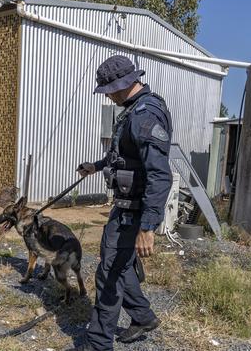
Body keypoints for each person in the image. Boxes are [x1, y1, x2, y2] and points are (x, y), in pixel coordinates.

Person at [74, 55, 173, 351]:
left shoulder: (144, 115)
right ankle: (143, 316)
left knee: (108, 275)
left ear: (121, 85)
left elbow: (159, 174)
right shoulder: (135, 110)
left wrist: (148, 227)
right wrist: (96, 165)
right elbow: (124, 155)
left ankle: (97, 344)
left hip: (134, 212)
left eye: (109, 91)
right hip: (125, 208)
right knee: (117, 261)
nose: (108, 96)